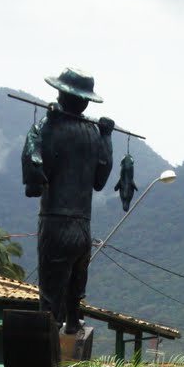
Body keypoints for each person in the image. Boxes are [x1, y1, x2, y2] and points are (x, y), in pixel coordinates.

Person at [22, 68, 114, 335]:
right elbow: (100, 180)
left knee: (50, 294)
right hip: (83, 226)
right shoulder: (95, 135)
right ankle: (73, 321)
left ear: (61, 95)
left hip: (55, 222)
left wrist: (49, 125)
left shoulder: (48, 127)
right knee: (75, 284)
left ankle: (47, 339)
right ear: (85, 102)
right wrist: (107, 136)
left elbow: (37, 173)